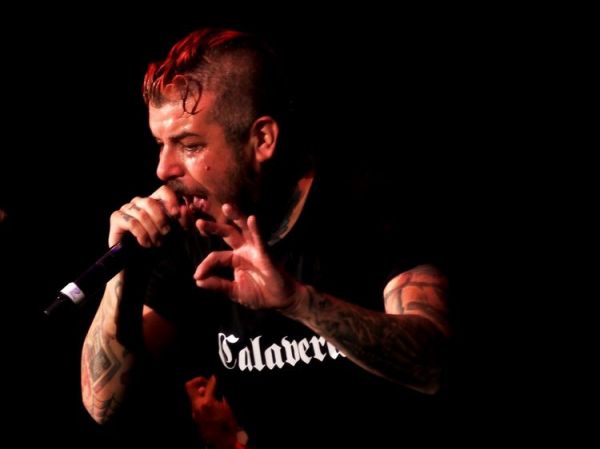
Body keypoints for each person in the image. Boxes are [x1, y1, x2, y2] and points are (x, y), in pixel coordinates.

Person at [80, 27, 451, 448]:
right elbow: (103, 404)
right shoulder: (189, 227)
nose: (163, 169)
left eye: (189, 145)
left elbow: (435, 366)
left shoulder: (366, 204)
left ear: (262, 139)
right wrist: (124, 276)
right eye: (160, 144)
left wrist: (297, 302)